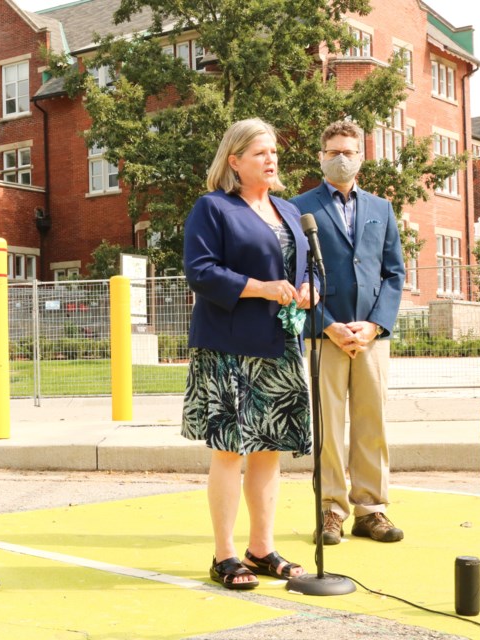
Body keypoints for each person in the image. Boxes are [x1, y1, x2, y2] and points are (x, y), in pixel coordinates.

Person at [183, 118, 313, 590]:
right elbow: (200, 271)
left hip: (279, 347)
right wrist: (261, 289)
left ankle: (262, 548)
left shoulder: (290, 212)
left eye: (274, 150)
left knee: (269, 452)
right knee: (229, 450)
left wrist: (310, 292)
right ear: (234, 161)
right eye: (260, 153)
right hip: (227, 347)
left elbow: (310, 271)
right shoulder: (213, 208)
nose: (272, 158)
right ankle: (225, 555)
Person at [291, 121, 405, 545]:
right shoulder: (299, 207)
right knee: (328, 423)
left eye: (350, 151)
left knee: (371, 422)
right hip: (325, 334)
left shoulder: (382, 209)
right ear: (321, 156)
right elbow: (297, 275)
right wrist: (330, 326)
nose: (342, 158)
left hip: (371, 335)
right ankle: (331, 510)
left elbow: (394, 273)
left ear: (362, 157)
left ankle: (371, 510)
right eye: (334, 151)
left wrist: (374, 325)